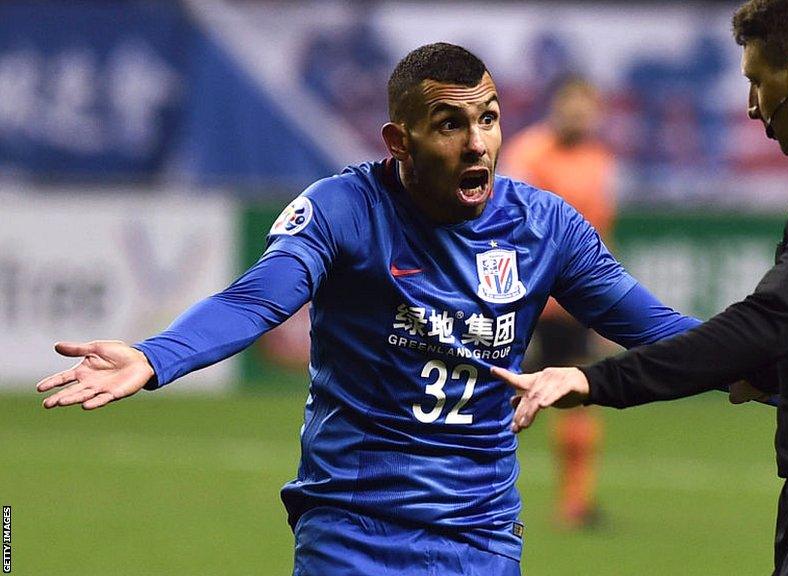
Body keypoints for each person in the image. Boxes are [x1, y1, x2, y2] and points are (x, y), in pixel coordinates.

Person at [36, 43, 703, 576]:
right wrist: (157, 356)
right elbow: (256, 299)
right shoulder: (341, 211)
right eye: (450, 124)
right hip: (354, 534)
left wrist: (777, 365)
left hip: (482, 536)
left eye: (489, 117)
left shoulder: (545, 227)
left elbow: (659, 329)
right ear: (399, 139)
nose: (477, 143)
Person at [494, 1, 788, 574]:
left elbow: (774, 320)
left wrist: (596, 381)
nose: (751, 107)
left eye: (756, 82)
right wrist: (770, 374)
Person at [502, 75, 616, 529]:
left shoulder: (599, 161)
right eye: (571, 105)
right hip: (520, 299)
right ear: (555, 105)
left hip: (571, 305)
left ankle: (575, 501)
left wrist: (606, 305)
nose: (579, 115)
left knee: (577, 395)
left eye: (586, 107)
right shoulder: (528, 154)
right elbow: (506, 227)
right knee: (488, 394)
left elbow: (601, 236)